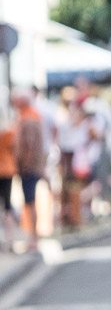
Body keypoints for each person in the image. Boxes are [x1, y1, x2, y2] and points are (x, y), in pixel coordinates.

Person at [12, 88, 45, 250]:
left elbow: (30, 146)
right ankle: (33, 236)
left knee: (30, 201)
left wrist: (24, 164)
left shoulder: (29, 118)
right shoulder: (27, 117)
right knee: (29, 201)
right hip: (30, 167)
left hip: (30, 168)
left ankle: (34, 237)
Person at [0, 96, 16, 251]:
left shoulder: (9, 131)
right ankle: (9, 240)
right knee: (7, 206)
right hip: (7, 170)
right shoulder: (10, 131)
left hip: (4, 169)